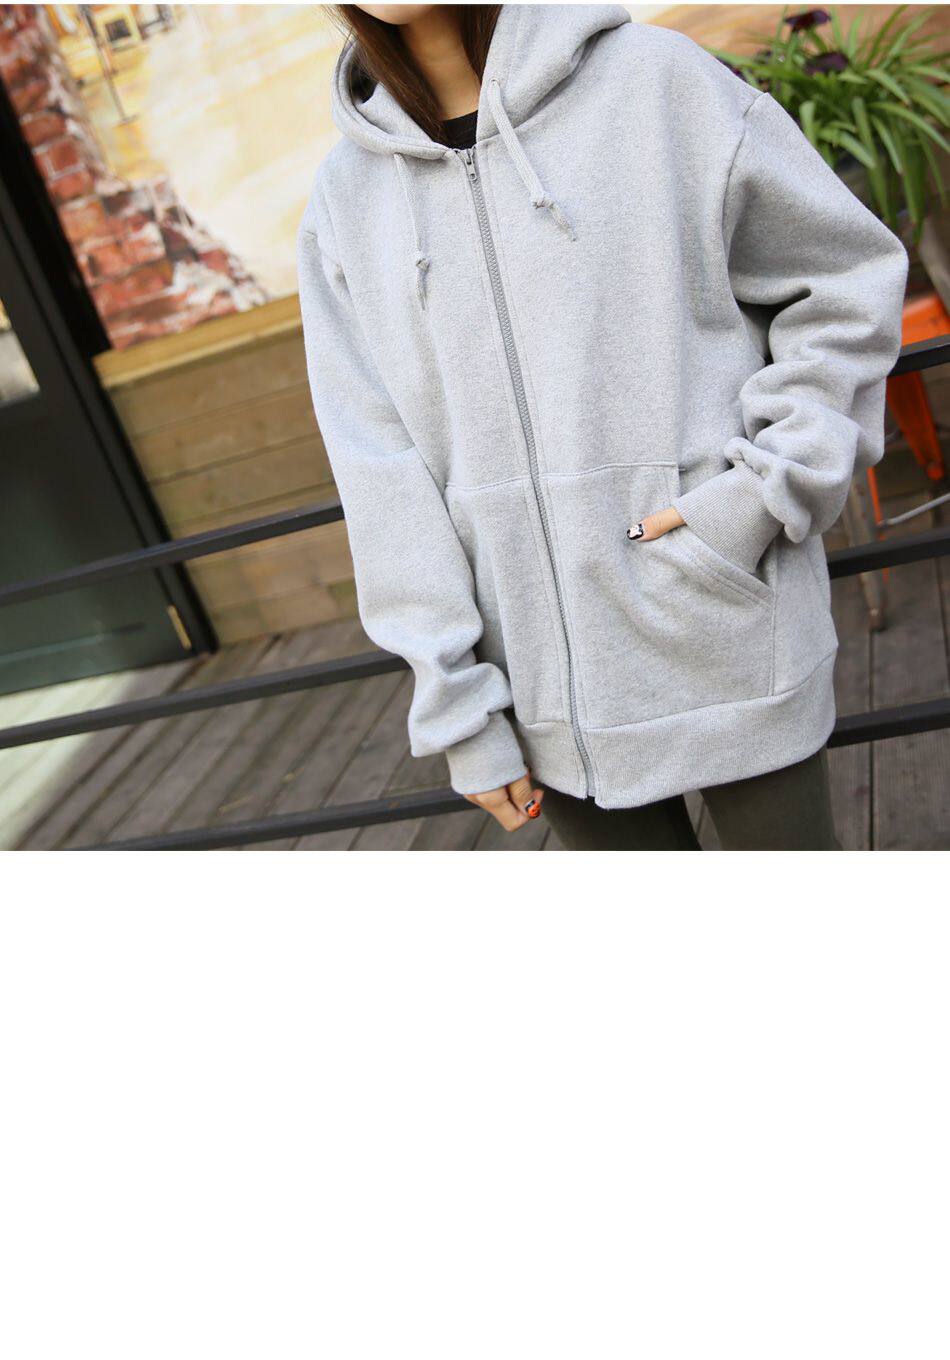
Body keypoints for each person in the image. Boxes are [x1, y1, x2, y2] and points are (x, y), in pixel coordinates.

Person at [296, 4, 908, 850]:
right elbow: (379, 469)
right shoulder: (345, 197)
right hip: (534, 688)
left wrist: (762, 494)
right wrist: (457, 702)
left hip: (721, 621)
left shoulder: (657, 82)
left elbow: (842, 286)